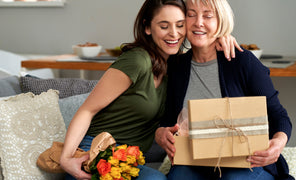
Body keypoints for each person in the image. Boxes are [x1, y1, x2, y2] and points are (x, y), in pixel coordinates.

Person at [60, 0, 240, 179]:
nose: (174, 33)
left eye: (180, 25)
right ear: (147, 27)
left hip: (130, 159)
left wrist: (221, 37)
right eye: (164, 26)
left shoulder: (176, 66)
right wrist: (66, 159)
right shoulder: (137, 61)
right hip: (97, 152)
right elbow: (87, 110)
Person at [155, 0, 293, 179]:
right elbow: (169, 119)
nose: (198, 22)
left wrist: (278, 143)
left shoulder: (242, 61)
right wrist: (161, 132)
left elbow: (279, 115)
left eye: (208, 15)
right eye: (191, 14)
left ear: (221, 21)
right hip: (193, 162)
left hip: (246, 162)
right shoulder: (176, 66)